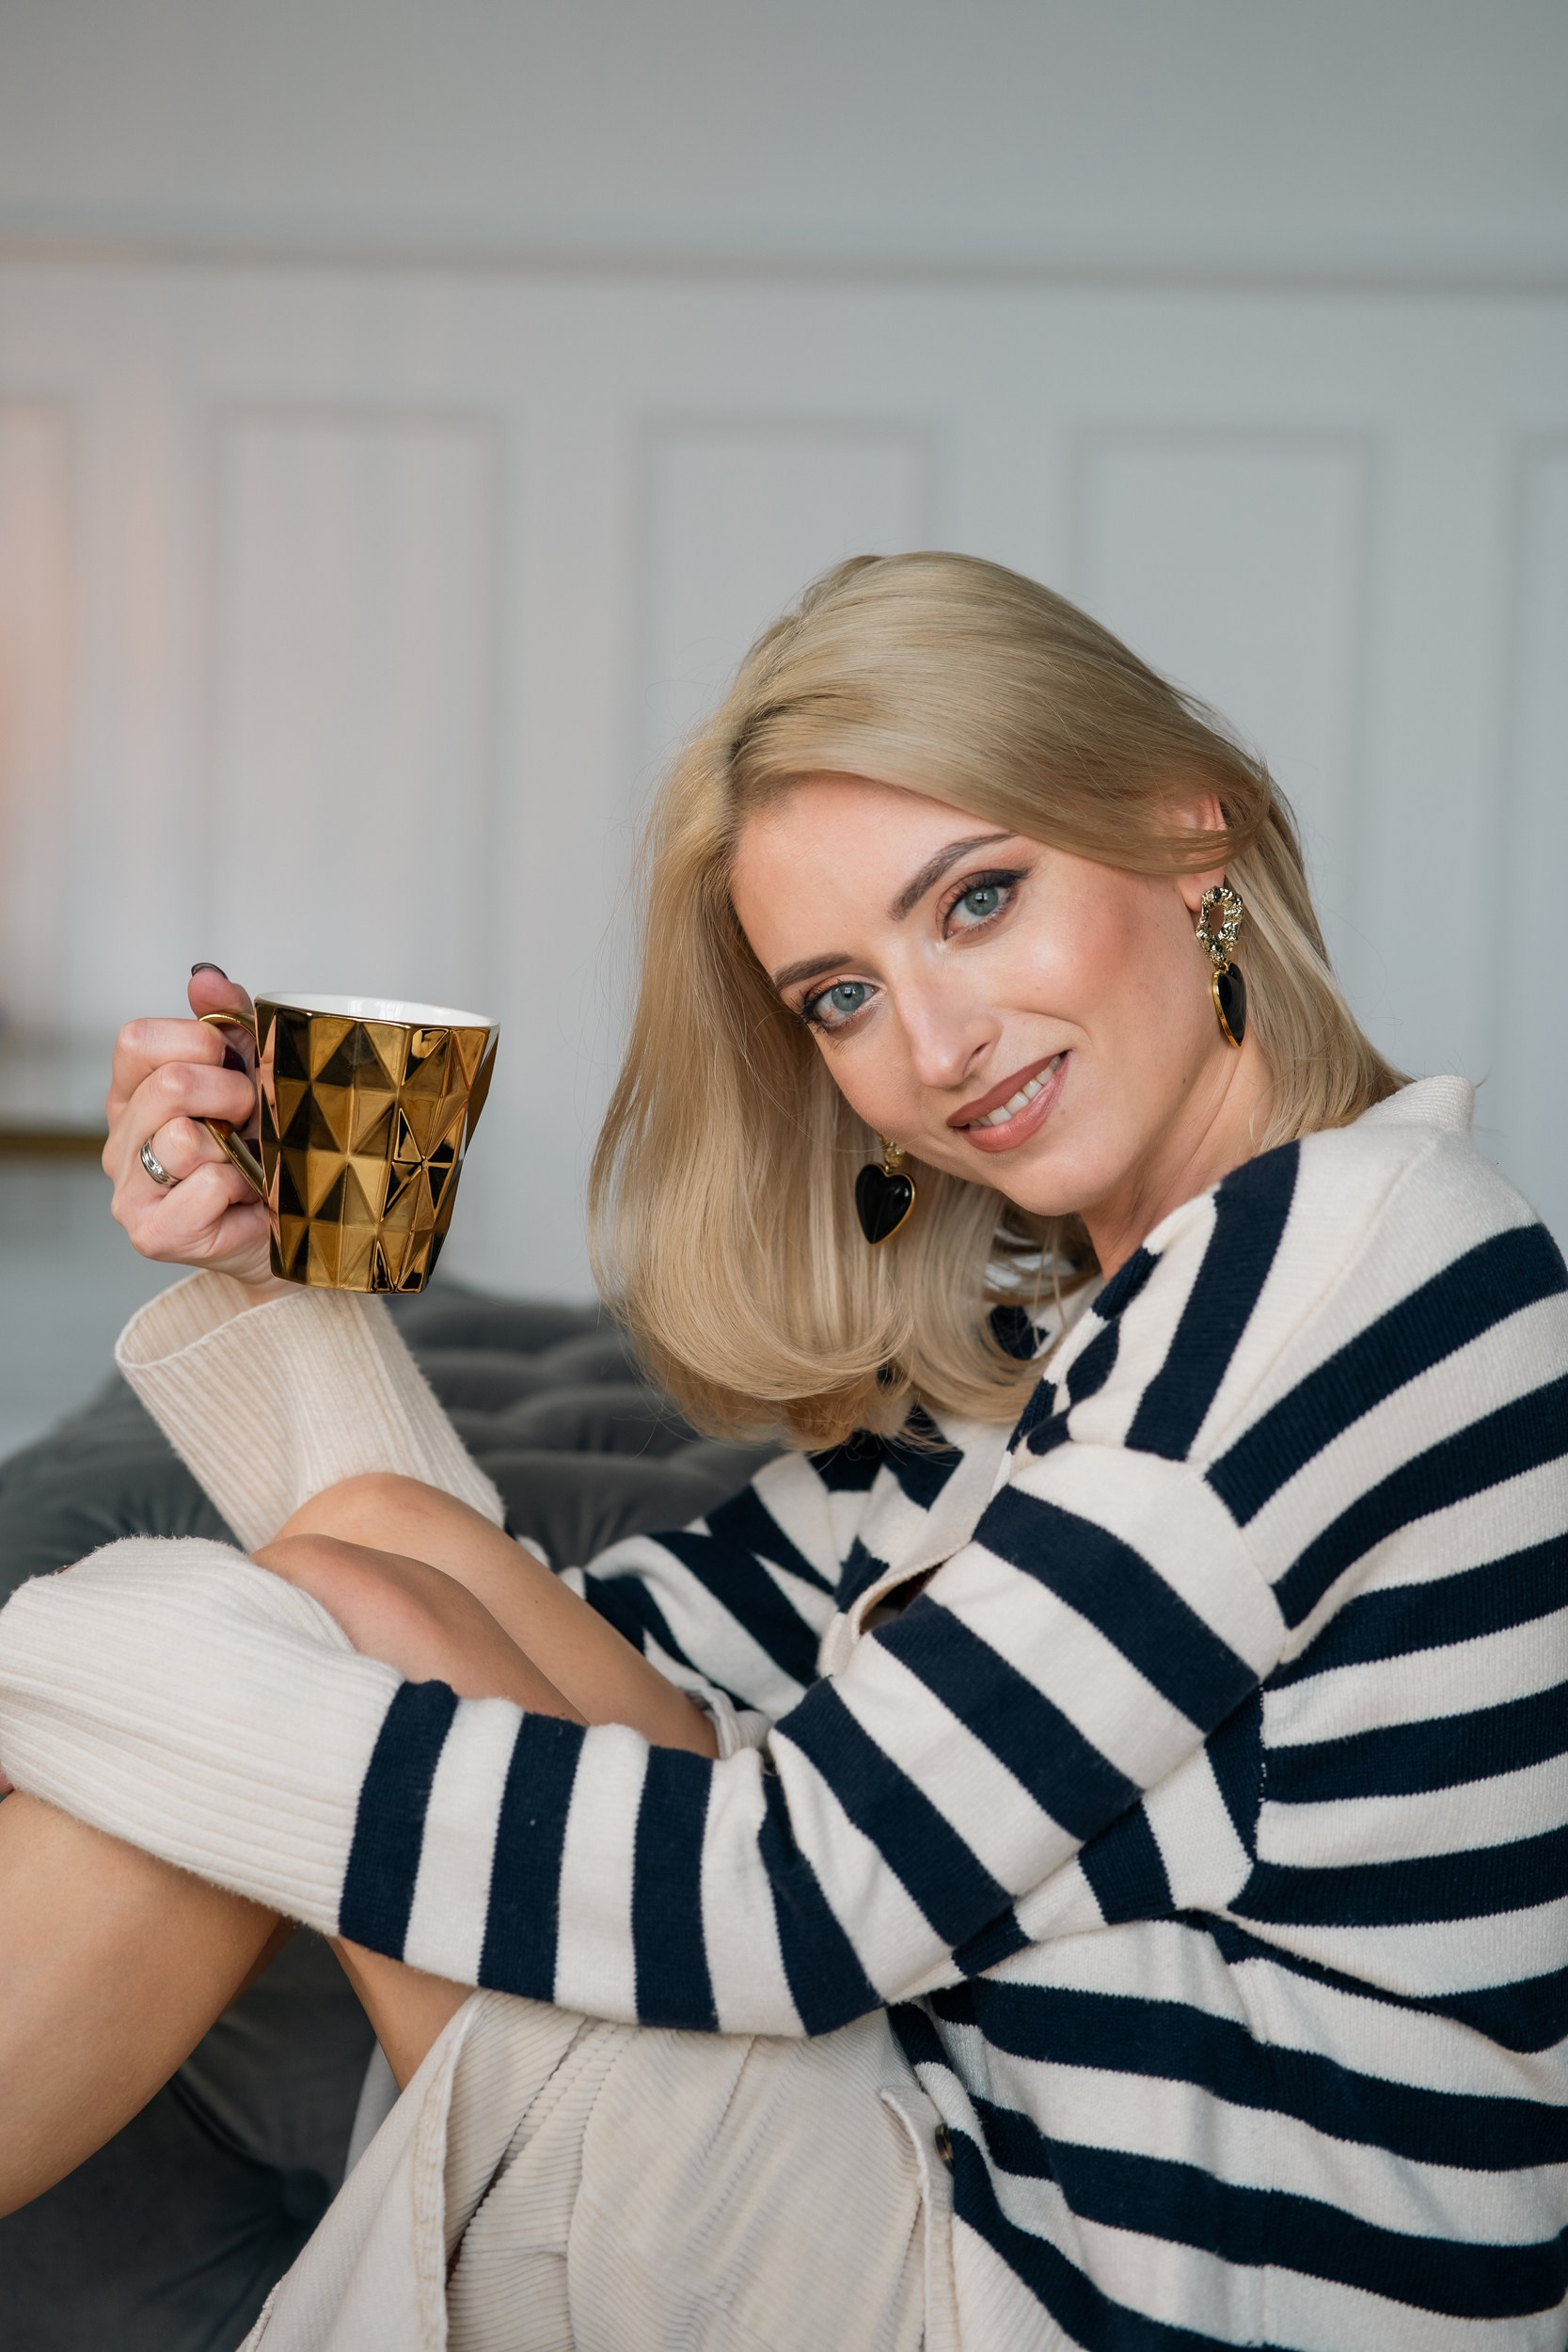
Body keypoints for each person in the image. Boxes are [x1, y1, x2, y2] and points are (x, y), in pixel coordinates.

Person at [1, 551, 1564, 2351]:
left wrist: (79, 1668)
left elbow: (792, 1902)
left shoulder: (1352, 1259)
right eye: (841, 996)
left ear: (1184, 832)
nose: (936, 1046)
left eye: (978, 900)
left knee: (303, 1626)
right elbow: (532, 1643)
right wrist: (274, 1271)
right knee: (359, 1560)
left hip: (1113, 2304)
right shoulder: (1073, 1342)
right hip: (966, 2182)